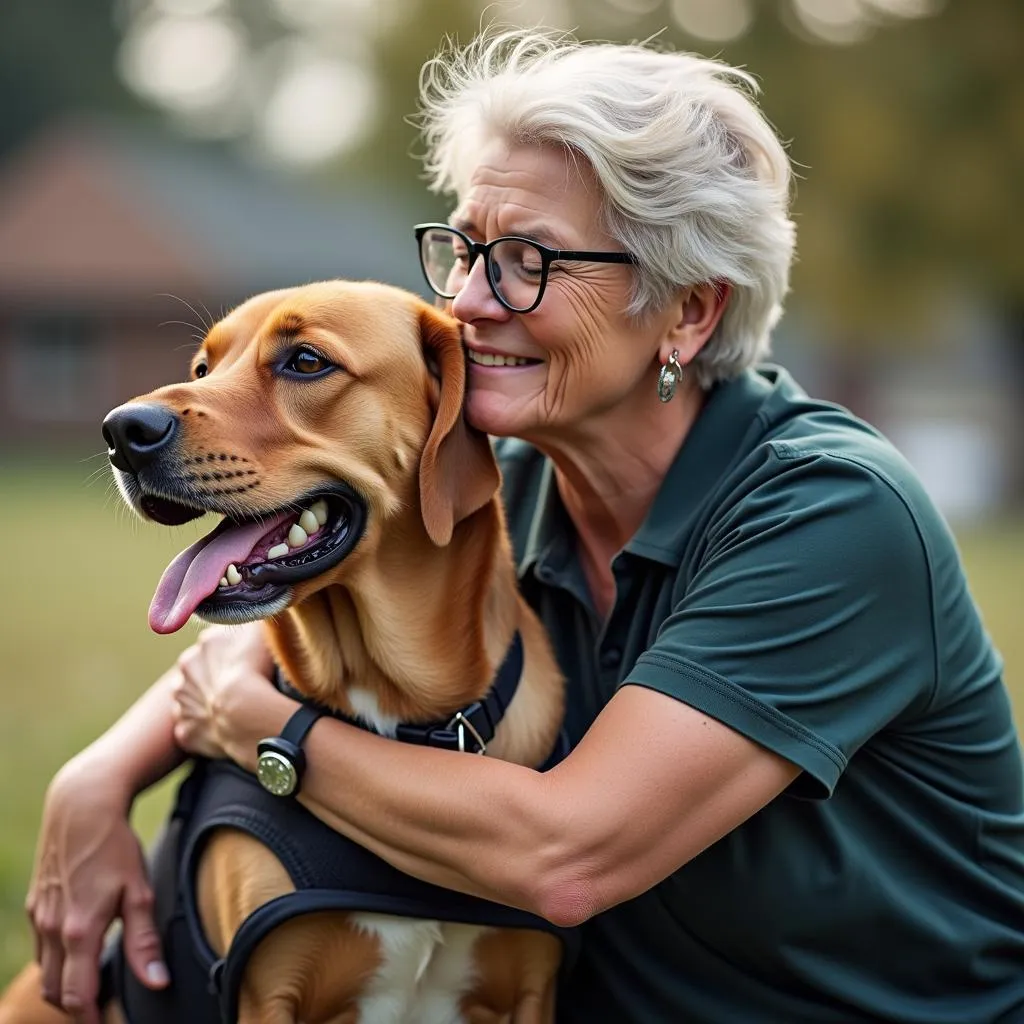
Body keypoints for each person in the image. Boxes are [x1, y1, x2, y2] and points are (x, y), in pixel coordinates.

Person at [24, 29, 1024, 1024]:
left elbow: (565, 855)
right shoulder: (503, 469)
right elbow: (277, 586)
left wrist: (259, 732)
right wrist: (100, 774)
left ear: (685, 313)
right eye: (461, 250)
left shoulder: (830, 517)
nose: (465, 302)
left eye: (528, 262)